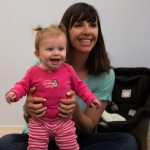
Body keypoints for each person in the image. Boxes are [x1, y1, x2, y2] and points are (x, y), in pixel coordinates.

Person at [0, 2, 138, 150]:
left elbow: (88, 127)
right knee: (6, 143)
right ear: (66, 31)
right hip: (40, 136)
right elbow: (27, 108)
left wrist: (74, 109)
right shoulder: (41, 66)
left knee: (127, 142)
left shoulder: (106, 75)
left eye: (92, 25)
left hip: (74, 137)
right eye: (79, 25)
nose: (87, 31)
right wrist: (27, 108)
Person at [5, 24, 100, 150]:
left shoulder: (68, 70)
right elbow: (22, 85)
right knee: (34, 147)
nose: (56, 53)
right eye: (50, 49)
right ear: (37, 54)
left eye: (61, 49)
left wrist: (90, 99)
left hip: (63, 122)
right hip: (40, 123)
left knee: (71, 146)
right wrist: (13, 93)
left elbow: (80, 86)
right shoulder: (33, 72)